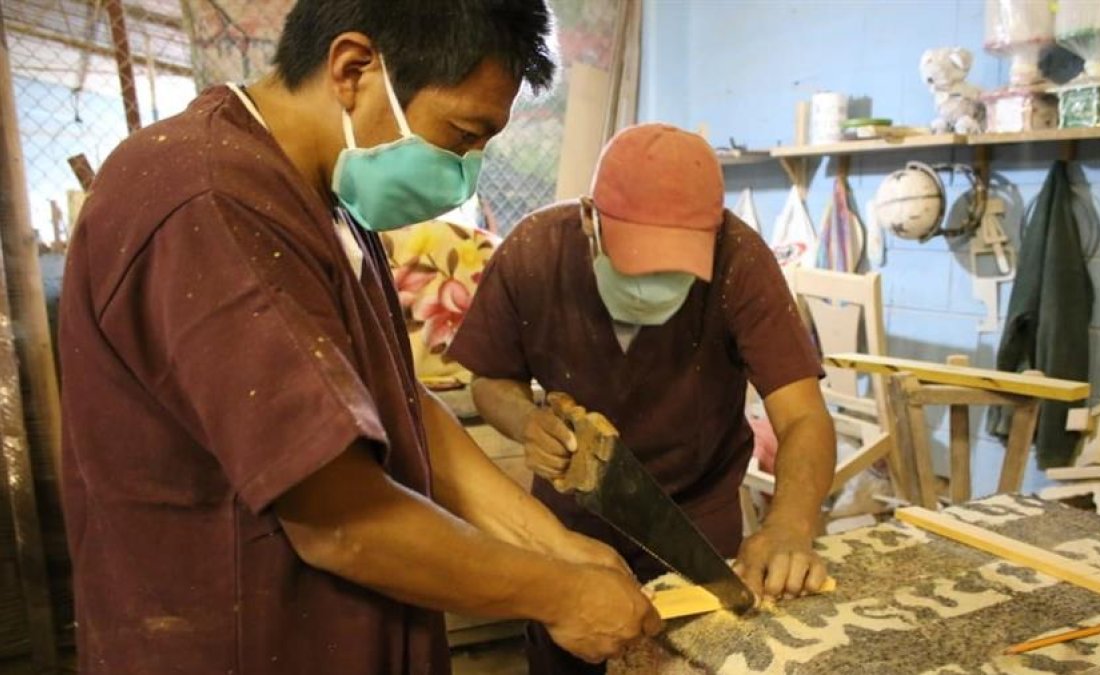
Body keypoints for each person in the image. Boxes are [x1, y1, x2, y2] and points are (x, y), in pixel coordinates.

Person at [57, 2, 660, 673]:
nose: (466, 168)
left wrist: (551, 543)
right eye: (461, 134)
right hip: (245, 646)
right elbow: (341, 522)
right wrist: (560, 593)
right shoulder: (209, 201)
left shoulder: (324, 199)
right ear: (352, 69)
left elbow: (396, 405)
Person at [448, 123, 837, 674]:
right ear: (590, 218)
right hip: (569, 518)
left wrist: (790, 525)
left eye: (675, 267)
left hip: (695, 520)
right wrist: (526, 422)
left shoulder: (741, 258)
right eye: (637, 259)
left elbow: (802, 416)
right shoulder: (534, 252)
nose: (652, 281)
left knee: (698, 663)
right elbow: (490, 380)